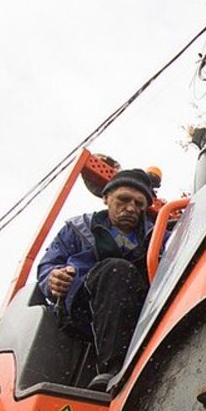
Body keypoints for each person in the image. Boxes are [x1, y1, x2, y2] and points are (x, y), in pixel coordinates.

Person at [37, 167, 161, 390]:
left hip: (137, 311)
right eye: (123, 200)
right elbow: (48, 265)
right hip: (82, 308)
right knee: (116, 270)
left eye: (139, 204)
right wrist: (52, 279)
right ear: (106, 197)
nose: (131, 208)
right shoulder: (77, 229)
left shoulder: (157, 237)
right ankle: (114, 371)